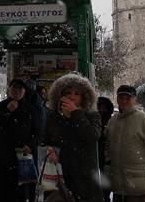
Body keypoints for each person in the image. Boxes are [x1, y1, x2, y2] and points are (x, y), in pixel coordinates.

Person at [43, 73, 103, 202]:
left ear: (84, 97)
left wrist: (76, 113)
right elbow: (45, 140)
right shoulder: (53, 117)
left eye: (77, 94)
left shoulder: (92, 115)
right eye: (68, 93)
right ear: (60, 95)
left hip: (85, 179)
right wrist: (49, 150)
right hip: (59, 176)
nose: (72, 97)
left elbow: (92, 135)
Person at [105, 85, 145, 202]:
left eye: (128, 98)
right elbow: (108, 144)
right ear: (117, 99)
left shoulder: (143, 119)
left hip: (138, 185)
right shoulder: (113, 120)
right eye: (121, 97)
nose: (124, 101)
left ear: (135, 100)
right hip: (118, 184)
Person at [0, 78, 41, 201]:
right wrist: (7, 111)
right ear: (9, 90)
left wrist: (30, 145)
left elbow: (38, 132)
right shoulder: (0, 106)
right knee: (3, 192)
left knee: (24, 193)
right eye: (14, 88)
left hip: (24, 158)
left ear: (24, 91)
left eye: (20, 88)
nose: (17, 91)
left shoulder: (30, 109)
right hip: (4, 159)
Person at [97, 97, 115, 201]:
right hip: (96, 154)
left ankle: (105, 197)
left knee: (105, 178)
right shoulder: (94, 118)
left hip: (105, 156)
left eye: (103, 107)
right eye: (99, 107)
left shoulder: (110, 121)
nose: (101, 110)